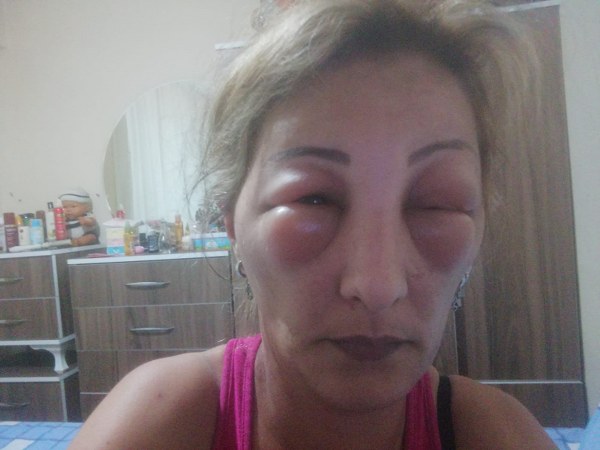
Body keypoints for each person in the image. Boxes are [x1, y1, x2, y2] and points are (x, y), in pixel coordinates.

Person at [69, 0, 556, 448]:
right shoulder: (157, 425)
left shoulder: (497, 436)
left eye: (436, 205)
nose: (377, 286)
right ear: (230, 218)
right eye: (313, 200)